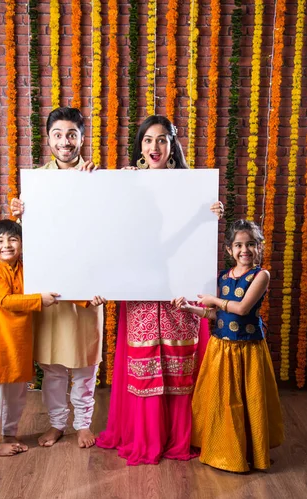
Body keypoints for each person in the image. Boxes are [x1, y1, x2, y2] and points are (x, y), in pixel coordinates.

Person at [96, 115, 224, 465]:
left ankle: (181, 435)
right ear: (140, 146)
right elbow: (109, 226)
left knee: (178, 361)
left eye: (162, 140)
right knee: (144, 361)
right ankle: (145, 434)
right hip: (141, 286)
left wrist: (212, 213)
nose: (155, 147)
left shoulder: (190, 185)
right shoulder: (129, 182)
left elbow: (192, 235)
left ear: (173, 144)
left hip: (178, 286)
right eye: (148, 140)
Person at [11, 107, 105, 449]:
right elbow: (29, 240)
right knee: (51, 367)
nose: (65, 141)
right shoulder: (36, 183)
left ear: (81, 138)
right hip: (51, 289)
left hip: (88, 288)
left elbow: (114, 231)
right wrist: (20, 216)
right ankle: (56, 424)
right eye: (58, 134)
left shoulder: (98, 177)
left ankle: (83, 424)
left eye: (71, 134)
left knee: (84, 365)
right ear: (48, 139)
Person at [173, 219, 284, 472]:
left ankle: (250, 452)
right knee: (223, 400)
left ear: (259, 247)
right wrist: (191, 308)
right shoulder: (223, 276)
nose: (244, 250)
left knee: (248, 399)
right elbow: (216, 315)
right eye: (238, 245)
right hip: (221, 348)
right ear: (228, 250)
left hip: (248, 349)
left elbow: (242, 308)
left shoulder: (260, 275)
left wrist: (213, 299)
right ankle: (224, 450)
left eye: (251, 244)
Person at [0, 220, 60, 456]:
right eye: (0, 241)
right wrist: (38, 300)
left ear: (22, 244)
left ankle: (9, 433)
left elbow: (55, 289)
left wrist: (88, 299)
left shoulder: (27, 269)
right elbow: (5, 300)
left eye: (13, 239)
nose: (7, 245)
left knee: (17, 393)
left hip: (20, 342)